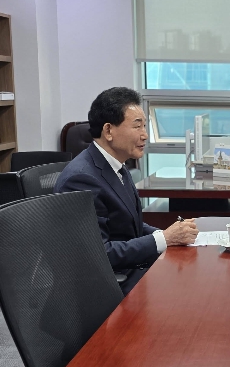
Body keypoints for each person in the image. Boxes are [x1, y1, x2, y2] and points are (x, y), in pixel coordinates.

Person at [54, 87, 199, 295]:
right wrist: (164, 239)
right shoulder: (81, 179)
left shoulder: (117, 165)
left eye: (145, 126)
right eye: (137, 126)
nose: (145, 135)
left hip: (130, 269)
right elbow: (100, 254)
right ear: (108, 131)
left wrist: (168, 235)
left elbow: (130, 225)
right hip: (107, 287)